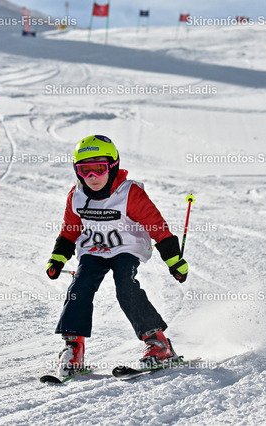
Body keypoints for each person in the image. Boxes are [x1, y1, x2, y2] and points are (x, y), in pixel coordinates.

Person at [46, 135, 189, 377]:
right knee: (79, 287)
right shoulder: (76, 195)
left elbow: (156, 226)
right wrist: (57, 258)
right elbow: (70, 230)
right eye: (85, 170)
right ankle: (74, 348)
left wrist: (174, 260)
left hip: (126, 248)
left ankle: (157, 342)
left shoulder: (129, 193)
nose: (92, 177)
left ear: (113, 166)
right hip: (93, 250)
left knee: (125, 286)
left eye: (99, 169)